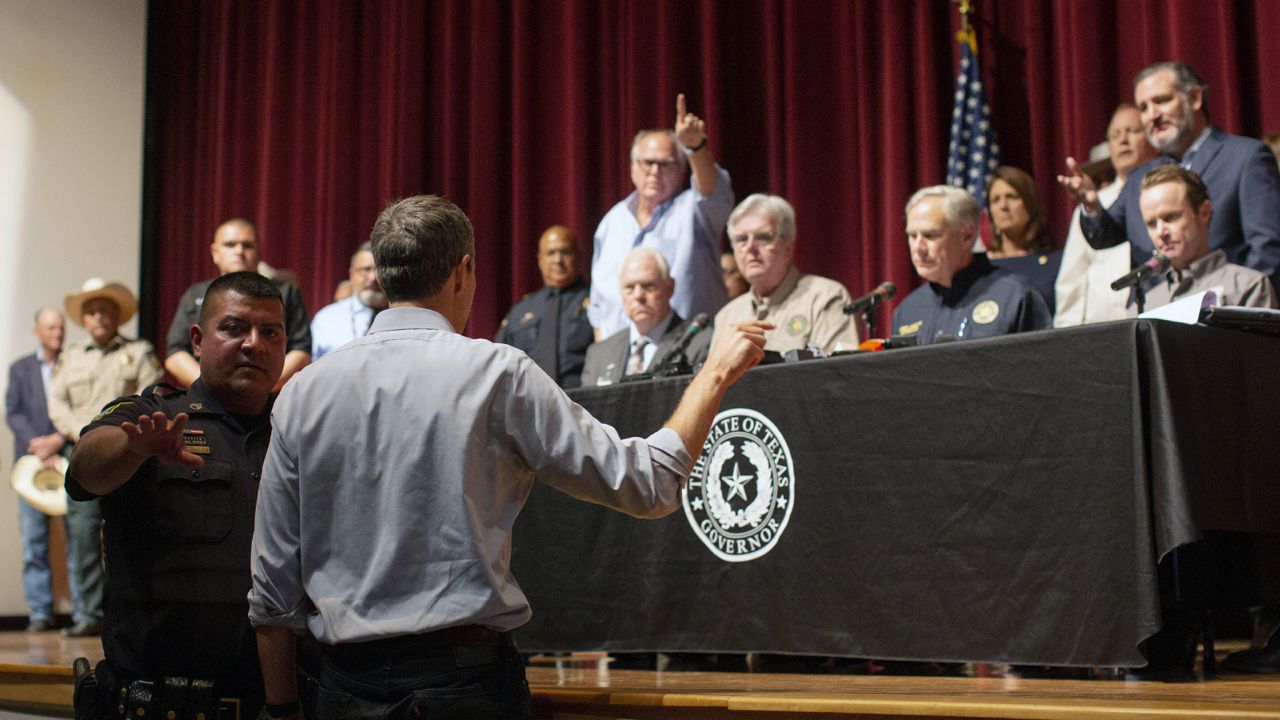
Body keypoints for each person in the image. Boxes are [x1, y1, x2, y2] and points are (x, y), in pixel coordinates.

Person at [249, 195, 768, 720]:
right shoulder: (499, 375)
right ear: (463, 271)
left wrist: (281, 709)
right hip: (464, 684)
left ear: (383, 276)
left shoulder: (301, 392)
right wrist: (714, 374)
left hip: (341, 685)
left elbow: (272, 584)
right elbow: (647, 484)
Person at [66, 272, 286, 718]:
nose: (253, 343)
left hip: (274, 701)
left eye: (270, 332)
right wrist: (134, 448)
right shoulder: (155, 415)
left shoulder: (298, 428)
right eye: (234, 328)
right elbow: (85, 470)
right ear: (198, 340)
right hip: (160, 700)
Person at [1058, 61, 1280, 289]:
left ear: (1194, 98)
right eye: (1143, 108)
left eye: (1161, 101)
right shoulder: (1139, 178)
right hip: (1153, 314)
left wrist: (1241, 309)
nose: (1152, 115)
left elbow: (1268, 248)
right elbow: (1104, 236)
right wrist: (1092, 206)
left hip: (1223, 312)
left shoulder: (1245, 157)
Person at [48, 279, 165, 637]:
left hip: (128, 451)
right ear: (84, 319)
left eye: (106, 310)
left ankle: (129, 610)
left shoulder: (140, 351)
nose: (100, 316)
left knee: (130, 530)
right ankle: (89, 614)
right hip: (80, 452)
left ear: (118, 316)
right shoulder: (71, 357)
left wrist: (118, 438)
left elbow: (152, 392)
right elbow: (57, 403)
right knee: (82, 535)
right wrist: (81, 435)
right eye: (93, 311)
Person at [588, 94, 734, 338]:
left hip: (687, 352)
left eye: (666, 164)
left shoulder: (693, 210)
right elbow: (599, 308)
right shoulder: (612, 222)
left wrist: (695, 148)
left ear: (682, 168)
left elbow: (714, 195)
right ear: (633, 167)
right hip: (623, 361)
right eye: (647, 163)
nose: (655, 172)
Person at [893, 186, 1052, 344]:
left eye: (930, 235)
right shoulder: (907, 310)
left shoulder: (1014, 294)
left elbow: (1044, 362)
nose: (919, 248)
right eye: (912, 236)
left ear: (967, 236)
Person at [165, 219, 310, 389]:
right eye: (230, 245)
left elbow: (301, 351)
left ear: (259, 251)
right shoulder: (194, 294)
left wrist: (259, 387)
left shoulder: (286, 293)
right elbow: (175, 352)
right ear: (215, 252)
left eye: (247, 245)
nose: (239, 251)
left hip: (270, 400)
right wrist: (213, 388)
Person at [713, 194, 860, 354]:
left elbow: (836, 373)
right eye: (741, 239)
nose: (750, 247)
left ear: (788, 247)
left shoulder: (825, 298)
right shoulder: (727, 317)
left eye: (762, 237)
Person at [1055, 105, 1158, 326]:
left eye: (1133, 131)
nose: (1123, 140)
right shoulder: (1092, 205)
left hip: (1154, 320)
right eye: (1115, 134)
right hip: (1100, 332)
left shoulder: (1166, 196)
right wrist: (1067, 337)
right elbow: (1072, 281)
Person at [5, 307, 67, 632]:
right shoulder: (19, 369)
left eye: (61, 327)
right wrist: (38, 444)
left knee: (80, 541)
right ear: (37, 331)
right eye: (51, 327)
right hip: (30, 464)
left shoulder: (74, 364)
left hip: (67, 457)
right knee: (34, 542)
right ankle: (40, 613)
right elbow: (12, 413)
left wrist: (57, 441)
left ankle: (86, 614)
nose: (58, 333)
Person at [1139, 166, 1277, 309]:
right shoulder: (1143, 306)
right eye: (1151, 224)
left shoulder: (1247, 286)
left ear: (1204, 212)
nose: (1161, 232)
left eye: (1171, 217)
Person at [581, 248, 713, 387]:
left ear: (670, 288)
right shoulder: (599, 355)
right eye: (630, 288)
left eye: (648, 286)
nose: (638, 296)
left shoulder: (701, 343)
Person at [494, 225, 594, 388]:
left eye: (565, 252)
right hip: (529, 407)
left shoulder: (597, 303)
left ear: (578, 257)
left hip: (584, 403)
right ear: (540, 260)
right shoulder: (521, 311)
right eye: (551, 253)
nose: (558, 260)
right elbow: (501, 361)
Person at [985, 166, 1062, 314]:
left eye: (1011, 197)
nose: (1003, 206)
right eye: (995, 200)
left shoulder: (1056, 262)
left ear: (1030, 203)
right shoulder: (980, 267)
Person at [310, 242, 388, 359]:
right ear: (351, 274)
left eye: (380, 270)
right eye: (366, 269)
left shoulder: (404, 315)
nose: (373, 278)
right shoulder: (326, 319)